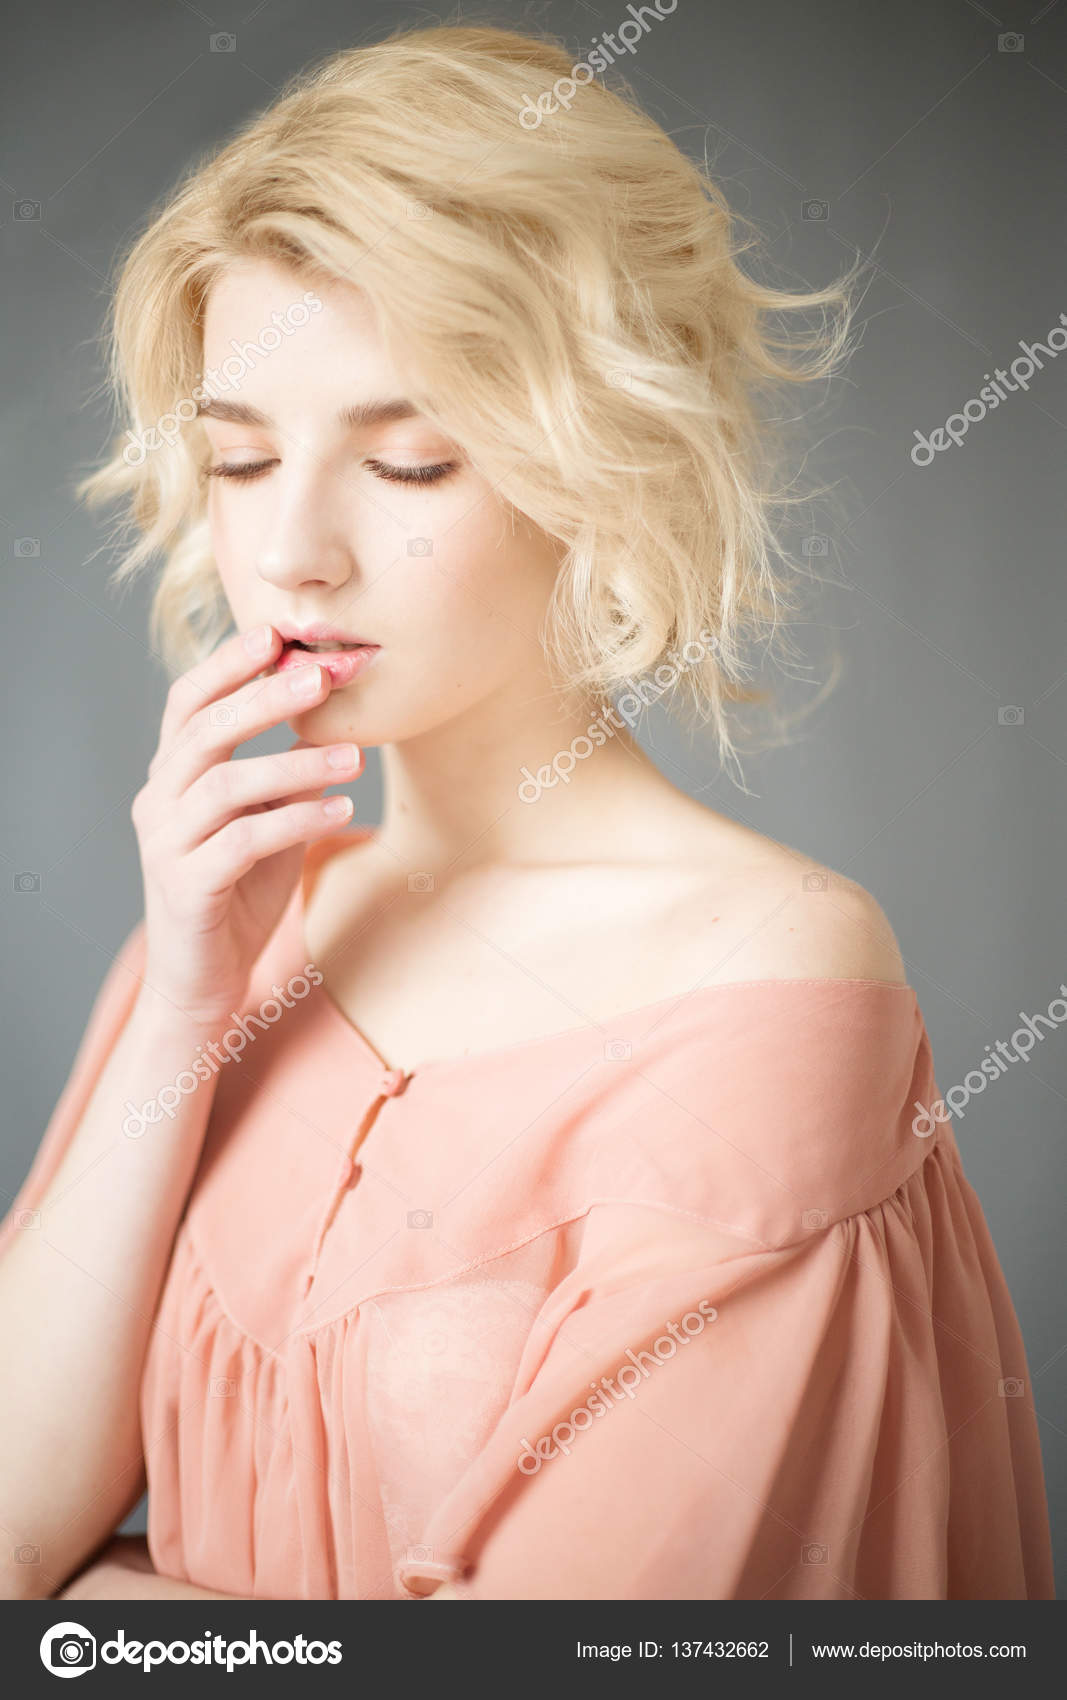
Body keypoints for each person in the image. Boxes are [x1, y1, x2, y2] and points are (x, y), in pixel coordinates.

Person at [0, 21, 1054, 1602]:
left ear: (607, 463)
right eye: (237, 459)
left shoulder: (775, 985)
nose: (292, 552)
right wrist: (181, 1018)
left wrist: (101, 1614)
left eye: (409, 463)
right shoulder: (214, 938)